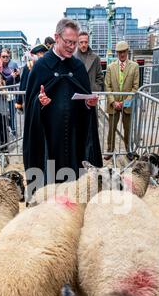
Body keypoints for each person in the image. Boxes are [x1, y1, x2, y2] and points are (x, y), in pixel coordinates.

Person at [23, 18, 102, 192]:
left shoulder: (78, 67)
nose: (72, 47)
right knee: (51, 188)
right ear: (56, 37)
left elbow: (84, 103)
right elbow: (30, 106)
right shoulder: (41, 67)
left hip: (74, 140)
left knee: (74, 187)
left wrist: (89, 104)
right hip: (49, 140)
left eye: (74, 43)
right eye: (68, 42)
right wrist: (40, 103)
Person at [104, 40, 139, 160]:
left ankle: (129, 150)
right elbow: (107, 86)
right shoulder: (110, 67)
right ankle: (110, 150)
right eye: (119, 52)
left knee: (128, 129)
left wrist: (125, 102)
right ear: (116, 53)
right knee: (111, 129)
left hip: (127, 105)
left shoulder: (134, 66)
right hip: (113, 105)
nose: (122, 54)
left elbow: (135, 87)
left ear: (127, 52)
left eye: (123, 52)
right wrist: (113, 102)